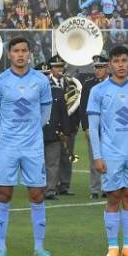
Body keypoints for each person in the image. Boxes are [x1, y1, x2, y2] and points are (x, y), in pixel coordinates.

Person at [0, 37, 57, 256]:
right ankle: (1, 248)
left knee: (37, 195)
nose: (20, 54)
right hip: (8, 145)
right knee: (3, 194)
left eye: (24, 51)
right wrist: (7, 131)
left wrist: (34, 128)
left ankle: (39, 248)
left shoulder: (41, 81)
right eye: (16, 51)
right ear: (9, 54)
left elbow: (46, 110)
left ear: (29, 54)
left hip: (33, 146)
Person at [87, 45, 128, 256]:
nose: (121, 65)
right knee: (113, 197)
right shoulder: (98, 91)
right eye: (116, 61)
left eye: (124, 60)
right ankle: (113, 246)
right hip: (110, 153)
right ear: (110, 65)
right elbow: (93, 127)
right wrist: (97, 155)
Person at [48, 54, 80, 196]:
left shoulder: (71, 84)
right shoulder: (46, 84)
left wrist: (75, 125)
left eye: (61, 66)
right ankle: (51, 186)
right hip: (51, 129)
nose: (59, 69)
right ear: (51, 69)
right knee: (51, 159)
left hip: (69, 127)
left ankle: (65, 185)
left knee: (67, 157)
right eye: (56, 67)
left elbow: (78, 104)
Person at [40, 61, 70, 200]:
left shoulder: (57, 91)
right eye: (42, 75)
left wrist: (66, 131)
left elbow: (63, 113)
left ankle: (50, 190)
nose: (45, 77)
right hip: (36, 134)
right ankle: (38, 189)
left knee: (52, 163)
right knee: (37, 164)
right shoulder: (29, 93)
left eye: (46, 75)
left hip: (53, 133)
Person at [81, 55, 109, 199]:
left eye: (100, 68)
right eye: (96, 68)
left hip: (110, 128)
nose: (97, 71)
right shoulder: (88, 85)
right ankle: (94, 188)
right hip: (94, 127)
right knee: (94, 159)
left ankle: (106, 187)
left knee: (108, 159)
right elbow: (83, 107)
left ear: (107, 68)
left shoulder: (112, 84)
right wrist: (85, 126)